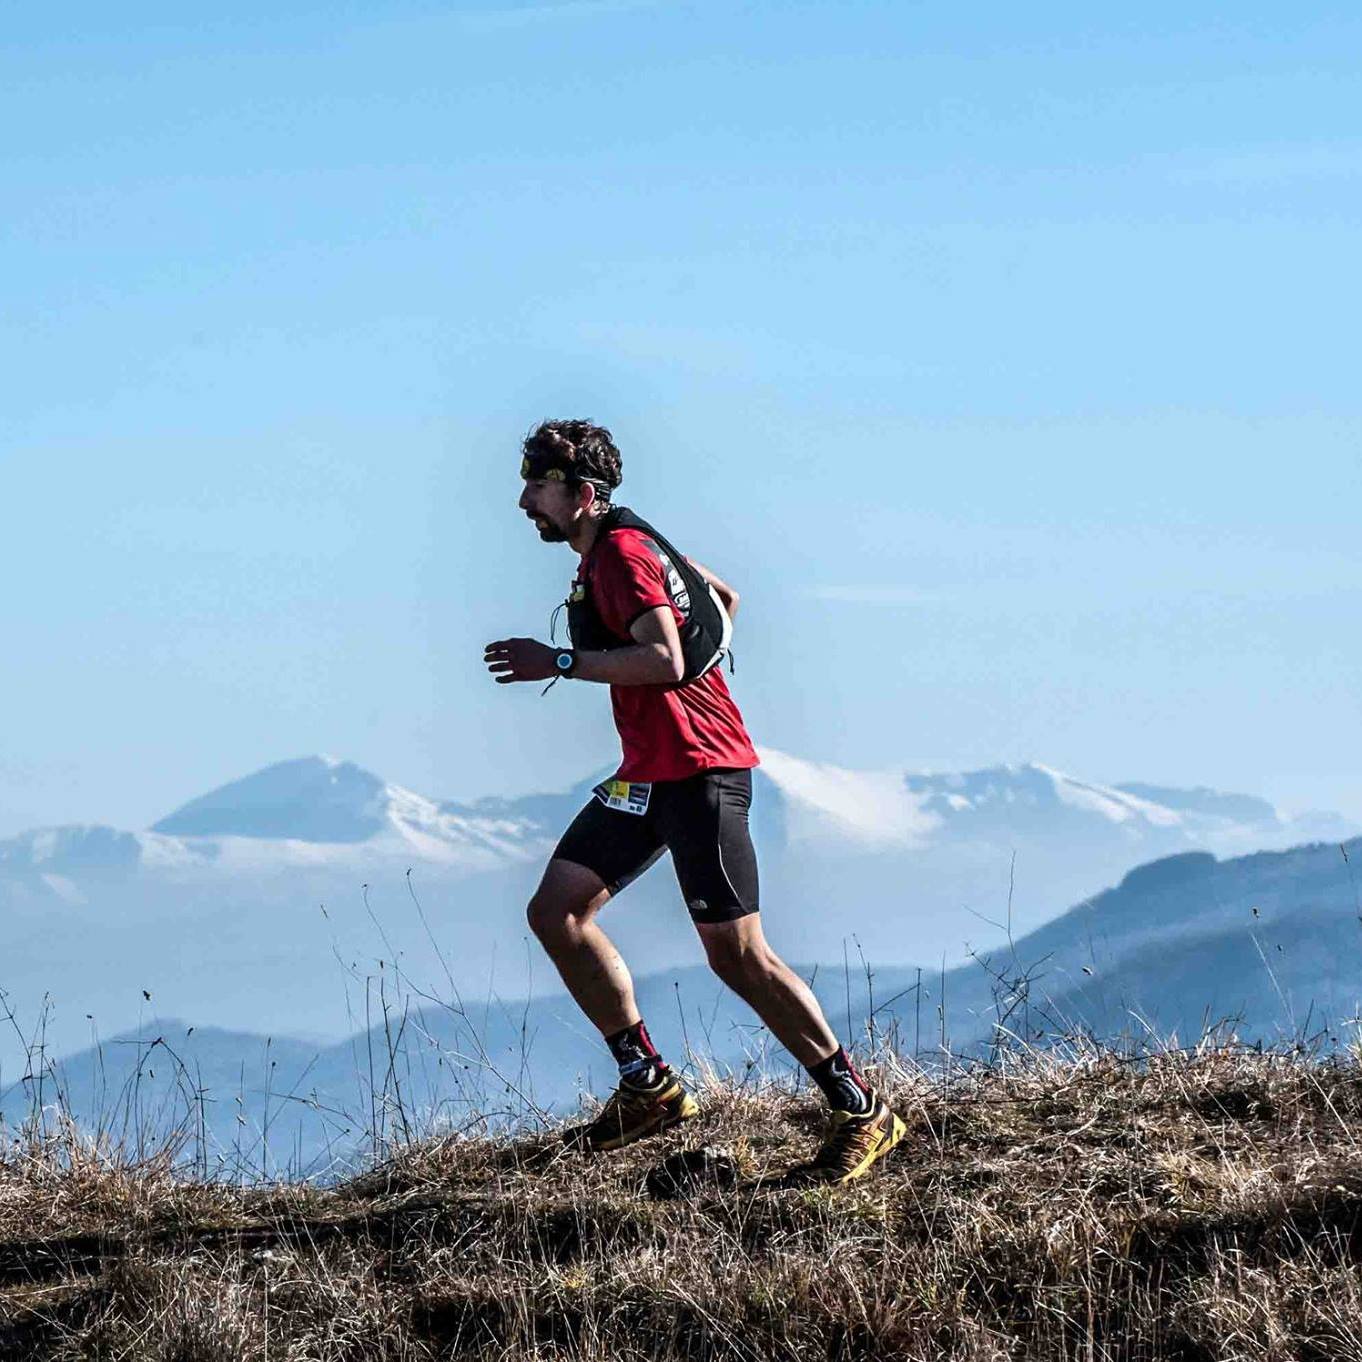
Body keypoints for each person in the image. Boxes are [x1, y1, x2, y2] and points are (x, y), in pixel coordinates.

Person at [483, 419, 905, 1184]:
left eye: (537, 487)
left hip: (701, 775)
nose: (523, 501)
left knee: (739, 958)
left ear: (580, 495)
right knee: (557, 912)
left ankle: (862, 1109)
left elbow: (665, 657)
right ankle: (648, 1087)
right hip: (649, 772)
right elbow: (723, 599)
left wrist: (561, 661)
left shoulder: (620, 554)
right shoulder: (629, 543)